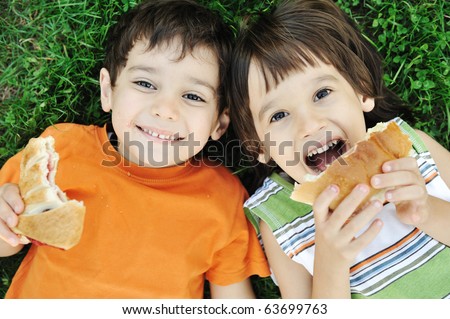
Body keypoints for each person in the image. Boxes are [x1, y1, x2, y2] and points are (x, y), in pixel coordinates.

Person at [0, 0, 270, 298]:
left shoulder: (224, 199)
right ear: (108, 91)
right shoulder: (60, 148)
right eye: (145, 83)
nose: (165, 109)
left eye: (193, 96)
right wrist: (6, 218)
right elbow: (7, 243)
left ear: (219, 124)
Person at [228, 0, 450, 298]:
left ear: (361, 91)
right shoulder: (282, 221)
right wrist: (331, 264)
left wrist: (427, 211)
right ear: (258, 146)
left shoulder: (414, 148)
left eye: (321, 93)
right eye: (279, 115)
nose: (309, 124)